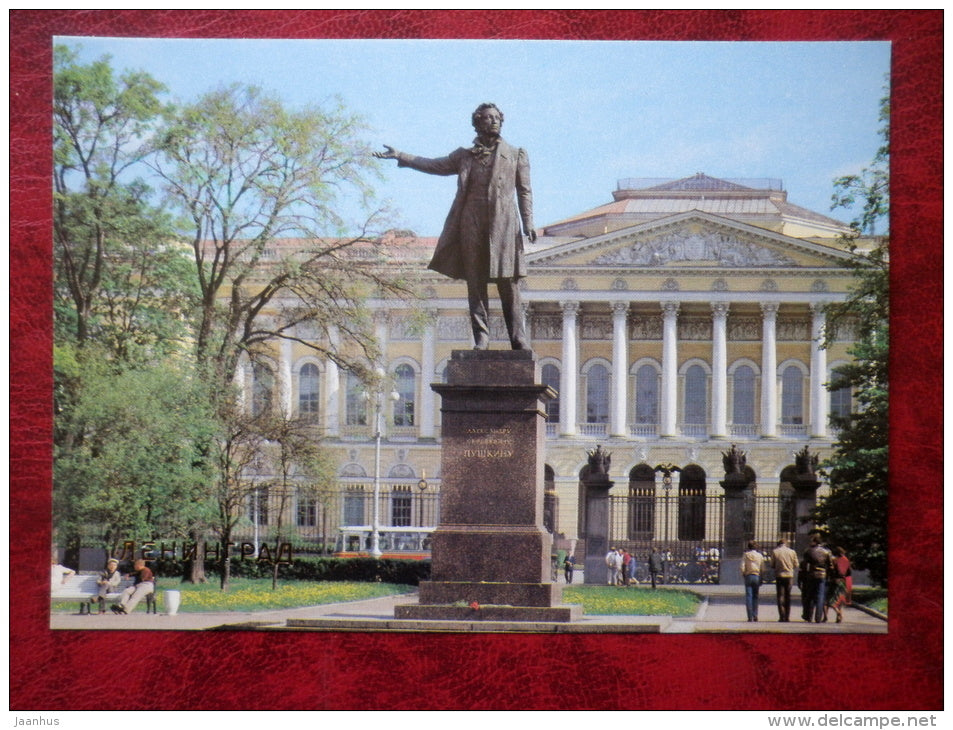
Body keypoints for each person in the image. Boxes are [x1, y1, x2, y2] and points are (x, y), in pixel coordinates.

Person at [374, 103, 536, 350]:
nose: (494, 122)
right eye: (488, 118)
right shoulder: (464, 156)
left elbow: (524, 190)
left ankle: (518, 339)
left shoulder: (515, 154)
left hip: (503, 225)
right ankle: (481, 338)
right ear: (477, 123)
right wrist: (401, 155)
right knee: (476, 282)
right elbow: (434, 165)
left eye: (497, 118)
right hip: (470, 222)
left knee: (509, 283)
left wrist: (528, 222)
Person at [801, 534, 834, 623]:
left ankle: (808, 616)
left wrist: (804, 575)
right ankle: (818, 617)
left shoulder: (808, 551)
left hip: (811, 575)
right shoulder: (827, 552)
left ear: (814, 541)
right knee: (820, 596)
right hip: (822, 575)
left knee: (810, 596)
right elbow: (831, 566)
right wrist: (829, 575)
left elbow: (804, 564)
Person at [771, 538, 799, 622]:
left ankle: (781, 616)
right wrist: (790, 567)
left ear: (778, 544)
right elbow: (796, 564)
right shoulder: (792, 552)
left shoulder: (775, 552)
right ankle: (787, 616)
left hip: (779, 575)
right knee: (788, 596)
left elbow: (772, 565)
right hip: (789, 575)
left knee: (780, 595)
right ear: (786, 544)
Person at [825, 547, 852, 623]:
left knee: (830, 600)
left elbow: (831, 570)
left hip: (835, 581)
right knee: (840, 600)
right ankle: (838, 617)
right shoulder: (846, 560)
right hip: (843, 581)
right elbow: (849, 572)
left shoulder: (834, 560)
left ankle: (838, 613)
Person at [741, 541, 765, 621]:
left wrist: (744, 574)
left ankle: (749, 616)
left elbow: (742, 567)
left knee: (749, 596)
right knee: (756, 596)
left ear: (748, 547)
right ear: (756, 547)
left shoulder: (745, 555)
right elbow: (763, 568)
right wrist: (761, 577)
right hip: (757, 575)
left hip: (748, 575)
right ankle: (755, 615)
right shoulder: (760, 556)